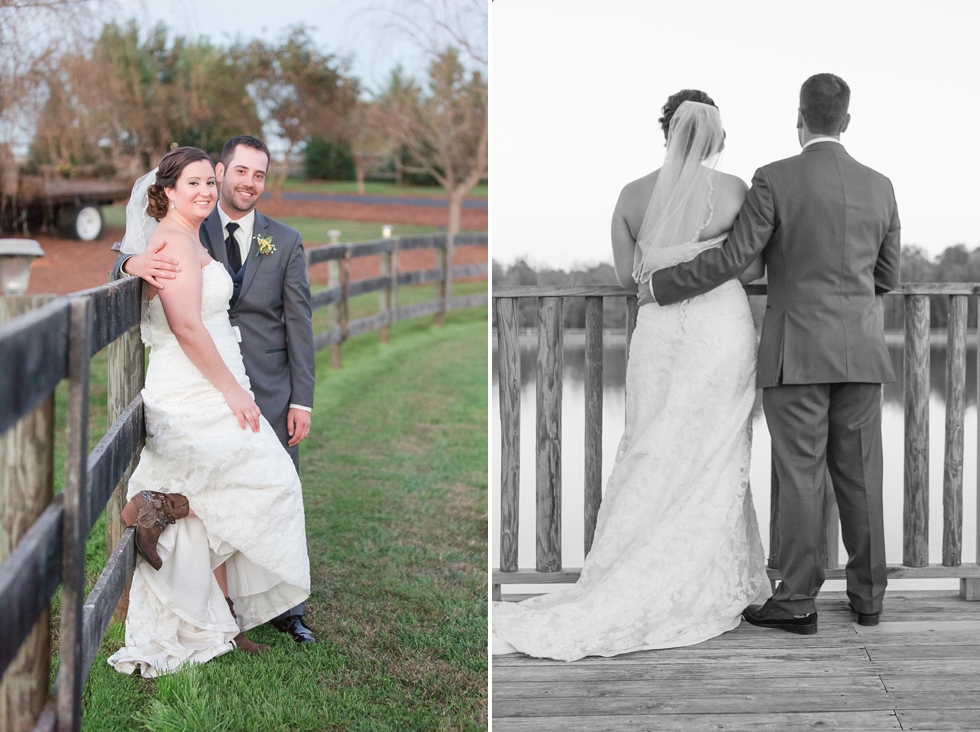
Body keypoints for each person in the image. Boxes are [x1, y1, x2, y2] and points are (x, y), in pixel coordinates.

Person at [492, 91, 771, 662]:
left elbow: (627, 276)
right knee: (716, 449)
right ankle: (707, 578)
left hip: (661, 333)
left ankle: (629, 574)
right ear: (713, 134)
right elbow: (755, 264)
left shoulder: (631, 195)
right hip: (722, 329)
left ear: (666, 130)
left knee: (651, 446)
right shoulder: (735, 191)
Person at [648, 74, 900, 634]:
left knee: (802, 475)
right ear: (847, 121)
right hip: (861, 352)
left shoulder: (775, 178)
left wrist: (662, 284)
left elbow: (735, 258)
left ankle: (798, 601)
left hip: (796, 354)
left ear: (800, 118)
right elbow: (888, 276)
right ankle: (869, 599)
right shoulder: (881, 186)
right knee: (861, 477)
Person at [107, 147, 311, 677]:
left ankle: (215, 615)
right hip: (197, 385)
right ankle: (161, 506)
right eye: (192, 183)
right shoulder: (173, 239)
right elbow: (187, 327)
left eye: (206, 183)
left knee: (225, 497)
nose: (203, 191)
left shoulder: (191, 234)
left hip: (218, 378)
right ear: (167, 190)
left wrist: (234, 386)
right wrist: (232, 392)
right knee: (271, 483)